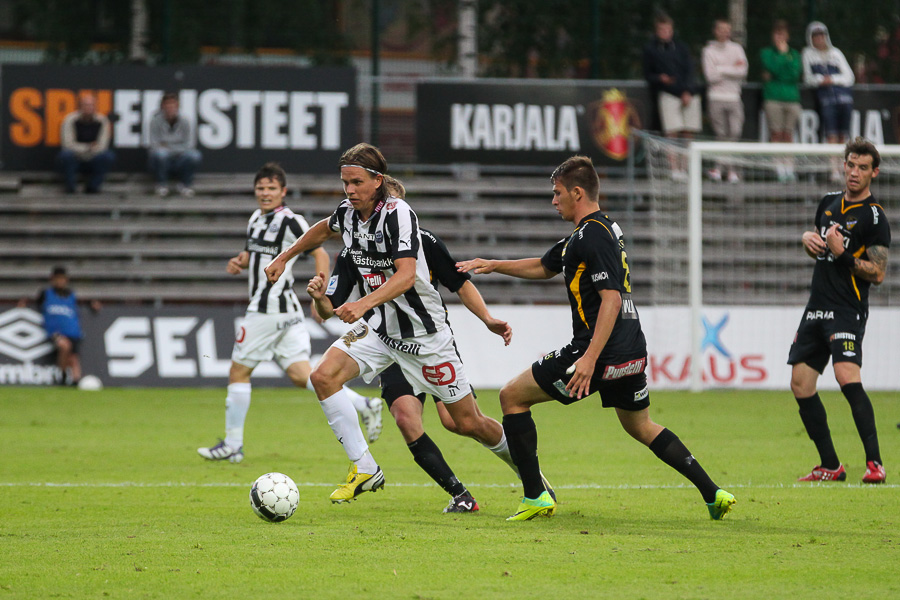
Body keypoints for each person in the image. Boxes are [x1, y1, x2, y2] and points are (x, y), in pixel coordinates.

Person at [457, 155, 736, 521]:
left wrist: (588, 358)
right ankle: (713, 493)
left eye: (557, 193)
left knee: (511, 396)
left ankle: (535, 495)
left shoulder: (591, 236)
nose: (553, 200)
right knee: (640, 425)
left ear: (577, 192)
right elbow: (544, 266)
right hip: (631, 349)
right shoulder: (594, 232)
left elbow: (611, 298)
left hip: (598, 349)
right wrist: (492, 264)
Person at [264, 144, 520, 504]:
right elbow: (322, 231)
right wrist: (287, 260)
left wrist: (363, 302)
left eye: (356, 182)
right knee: (323, 377)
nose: (349, 190)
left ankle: (530, 476)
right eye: (345, 183)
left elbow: (406, 276)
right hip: (381, 332)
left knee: (465, 423)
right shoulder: (349, 217)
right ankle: (365, 467)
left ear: (377, 180)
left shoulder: (400, 215)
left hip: (425, 336)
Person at [197, 162, 382, 464]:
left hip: (267, 309)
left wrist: (321, 289)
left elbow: (319, 250)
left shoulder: (291, 220)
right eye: (261, 188)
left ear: (282, 191)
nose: (265, 193)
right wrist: (239, 262)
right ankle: (365, 405)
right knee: (301, 375)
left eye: (271, 188)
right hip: (284, 313)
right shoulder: (256, 219)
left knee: (238, 371)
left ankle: (232, 444)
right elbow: (253, 253)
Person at [788, 137, 890, 484]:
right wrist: (809, 241)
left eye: (863, 167)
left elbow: (877, 273)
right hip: (817, 305)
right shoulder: (828, 203)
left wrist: (843, 253)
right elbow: (820, 253)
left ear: (874, 172)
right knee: (800, 385)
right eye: (850, 165)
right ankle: (830, 465)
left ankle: (875, 463)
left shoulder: (875, 217)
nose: (854, 173)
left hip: (848, 308)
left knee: (846, 376)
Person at [642, 13, 702, 181]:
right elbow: (648, 75)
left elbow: (690, 70)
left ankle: (686, 168)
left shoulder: (682, 48)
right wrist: (660, 78)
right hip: (668, 94)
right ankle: (674, 169)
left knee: (688, 132)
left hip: (688, 94)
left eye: (668, 29)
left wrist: (687, 91)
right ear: (657, 30)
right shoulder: (650, 49)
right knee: (672, 131)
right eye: (662, 29)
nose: (665, 32)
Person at [802, 21, 855, 182]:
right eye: (815, 36)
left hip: (844, 100)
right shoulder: (808, 54)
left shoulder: (836, 53)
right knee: (831, 134)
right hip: (826, 100)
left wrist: (831, 79)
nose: (819, 39)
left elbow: (849, 77)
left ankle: (845, 168)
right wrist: (820, 80)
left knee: (843, 135)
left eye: (822, 35)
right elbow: (808, 78)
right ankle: (834, 170)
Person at [32, 267, 99, 385]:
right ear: (52, 279)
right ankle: (62, 375)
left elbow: (83, 303)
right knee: (64, 346)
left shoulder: (71, 294)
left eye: (62, 279)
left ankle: (75, 382)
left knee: (74, 359)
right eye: (57, 279)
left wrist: (92, 303)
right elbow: (33, 304)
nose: (60, 282)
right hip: (55, 332)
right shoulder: (45, 294)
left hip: (73, 332)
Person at [701, 18, 748, 182]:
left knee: (734, 133)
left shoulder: (737, 49)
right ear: (715, 30)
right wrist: (731, 69)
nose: (725, 32)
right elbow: (710, 76)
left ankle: (722, 168)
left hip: (734, 97)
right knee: (721, 135)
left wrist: (720, 68)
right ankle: (728, 171)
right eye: (721, 29)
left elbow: (742, 71)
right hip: (716, 98)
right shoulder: (709, 50)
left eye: (728, 29)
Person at [760, 20, 803, 182]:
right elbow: (773, 68)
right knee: (776, 134)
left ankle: (789, 167)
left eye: (783, 34)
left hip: (792, 99)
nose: (780, 37)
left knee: (788, 134)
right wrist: (783, 59)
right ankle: (778, 168)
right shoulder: (766, 53)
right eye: (777, 33)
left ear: (787, 36)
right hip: (773, 98)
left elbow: (794, 74)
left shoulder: (795, 54)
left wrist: (779, 69)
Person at [57, 93, 115, 194]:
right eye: (86, 105)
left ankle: (92, 187)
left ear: (96, 106)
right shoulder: (70, 120)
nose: (89, 107)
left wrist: (89, 150)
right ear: (80, 106)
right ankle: (71, 188)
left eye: (91, 105)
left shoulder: (102, 121)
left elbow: (102, 146)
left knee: (108, 156)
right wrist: (88, 147)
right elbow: (67, 145)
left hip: (94, 158)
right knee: (65, 155)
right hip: (75, 158)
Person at [148, 92, 203, 197]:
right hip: (163, 160)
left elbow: (190, 145)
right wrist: (177, 147)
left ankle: (185, 184)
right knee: (160, 154)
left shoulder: (186, 121)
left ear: (177, 106)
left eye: (172, 105)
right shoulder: (155, 121)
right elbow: (154, 145)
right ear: (162, 106)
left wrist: (167, 146)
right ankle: (161, 184)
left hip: (180, 159)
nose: (170, 108)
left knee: (195, 155)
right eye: (167, 105)